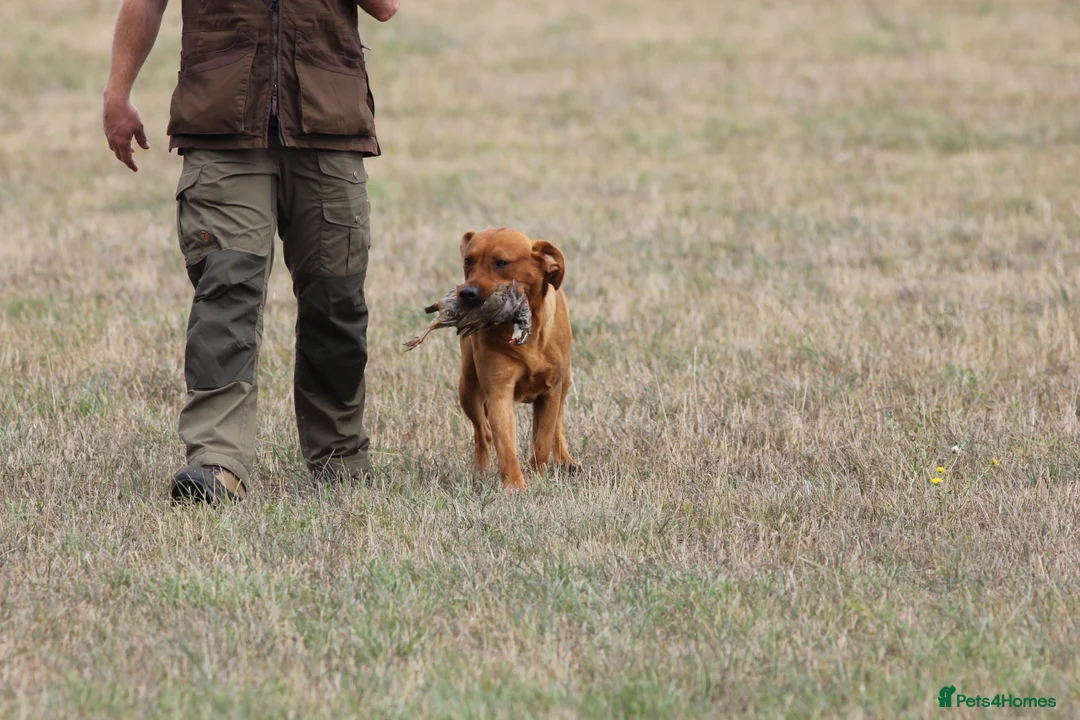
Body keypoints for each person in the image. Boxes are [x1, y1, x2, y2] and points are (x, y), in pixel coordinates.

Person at [102, 0, 400, 502]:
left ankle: (340, 457)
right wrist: (118, 90)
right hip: (222, 126)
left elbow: (385, 7)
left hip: (329, 122)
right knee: (226, 291)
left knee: (336, 301)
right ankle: (218, 461)